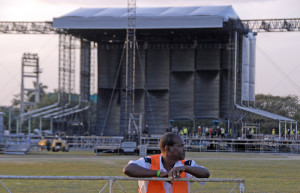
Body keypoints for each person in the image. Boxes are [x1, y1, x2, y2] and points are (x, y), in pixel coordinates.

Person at [123, 132, 210, 193]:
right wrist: (159, 174)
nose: (184, 149)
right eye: (180, 146)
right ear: (167, 148)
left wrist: (185, 168)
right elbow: (128, 169)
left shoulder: (187, 164)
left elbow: (206, 173)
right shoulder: (148, 162)